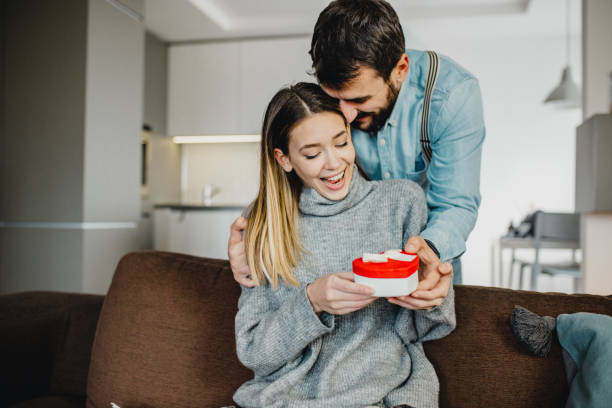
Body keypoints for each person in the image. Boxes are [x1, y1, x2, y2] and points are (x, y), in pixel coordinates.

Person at [228, 0, 484, 297]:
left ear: (400, 69)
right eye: (334, 98)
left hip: (424, 252)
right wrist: (255, 238)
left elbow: (455, 205)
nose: (345, 116)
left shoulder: (453, 96)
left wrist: (428, 253)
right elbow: (294, 174)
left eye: (359, 100)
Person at [233, 82, 455, 408]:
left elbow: (427, 328)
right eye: (312, 154)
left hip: (380, 395)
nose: (334, 163)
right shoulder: (263, 222)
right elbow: (253, 351)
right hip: (285, 400)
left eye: (342, 143)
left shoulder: (401, 202)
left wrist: (431, 292)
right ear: (284, 160)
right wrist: (312, 302)